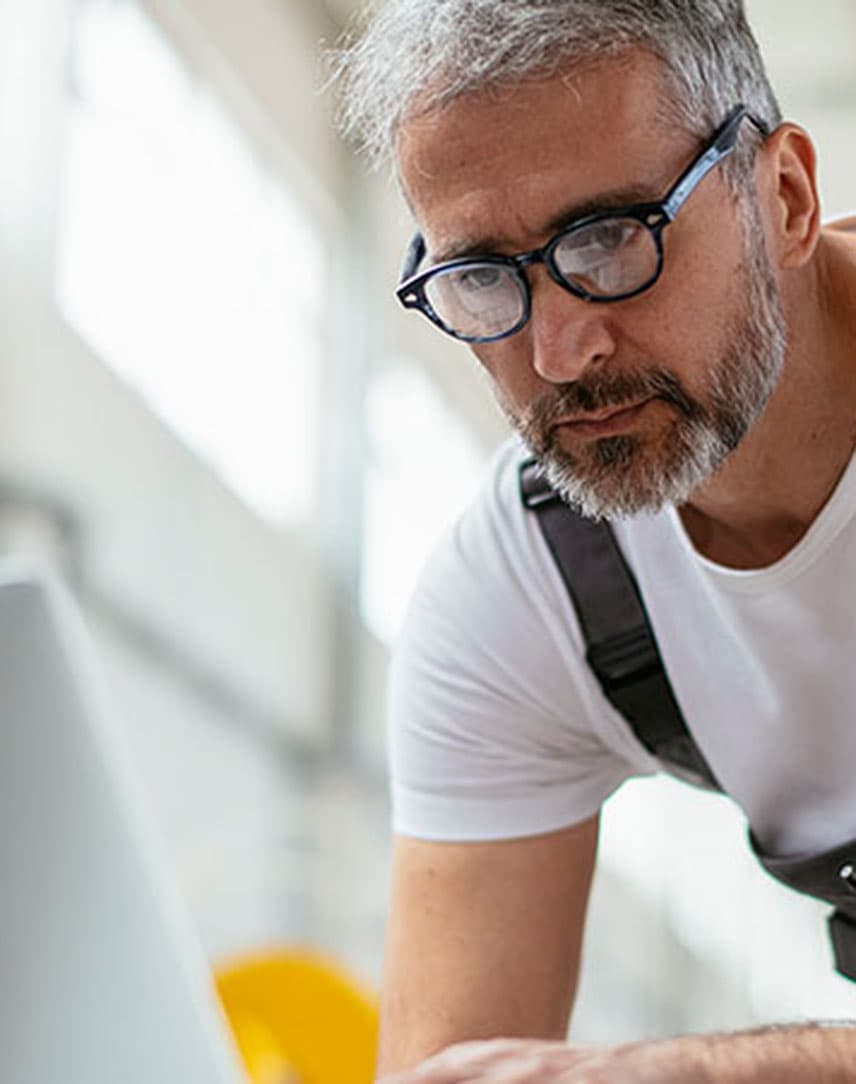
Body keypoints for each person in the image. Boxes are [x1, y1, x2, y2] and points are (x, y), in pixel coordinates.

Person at [334, 2, 856, 1080]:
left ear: (787, 198)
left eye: (612, 238)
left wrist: (697, 1072)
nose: (561, 352)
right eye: (481, 275)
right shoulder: (526, 595)